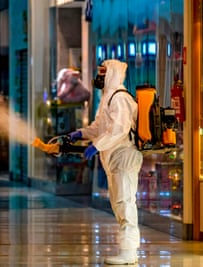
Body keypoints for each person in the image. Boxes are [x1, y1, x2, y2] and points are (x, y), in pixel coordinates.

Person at [68, 59, 143, 265]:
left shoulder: (120, 98)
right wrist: (81, 133)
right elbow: (100, 127)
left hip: (124, 155)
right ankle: (128, 250)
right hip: (114, 157)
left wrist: (97, 146)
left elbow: (120, 130)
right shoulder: (107, 98)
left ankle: (129, 252)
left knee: (125, 203)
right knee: (119, 203)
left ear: (112, 74)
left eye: (103, 73)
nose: (99, 77)